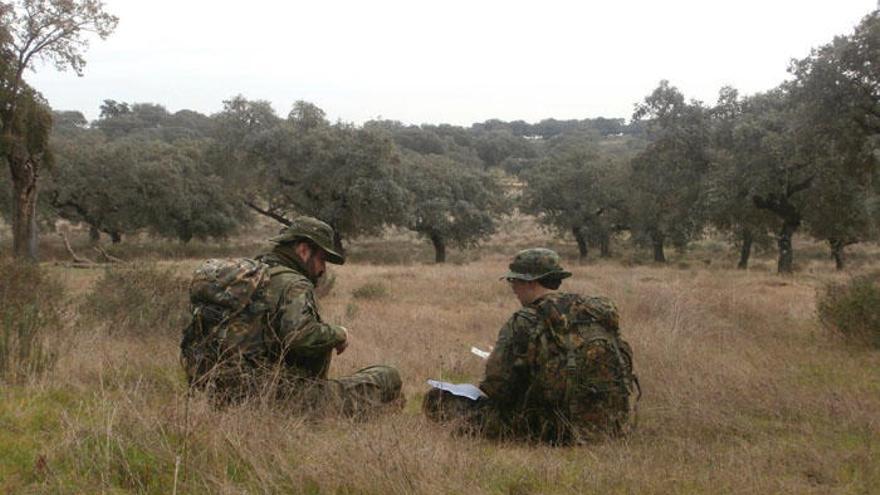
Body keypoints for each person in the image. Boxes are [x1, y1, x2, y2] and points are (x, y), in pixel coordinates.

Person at [182, 216, 402, 417]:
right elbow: (300, 335)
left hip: (215, 393)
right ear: (305, 250)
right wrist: (338, 333)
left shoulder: (250, 280)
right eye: (322, 258)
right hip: (275, 398)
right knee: (387, 377)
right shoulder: (293, 284)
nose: (323, 269)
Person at [422, 248, 638, 444]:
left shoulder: (525, 320)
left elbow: (497, 388)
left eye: (514, 281)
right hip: (610, 424)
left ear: (530, 282)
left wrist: (495, 362)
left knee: (437, 398)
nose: (513, 288)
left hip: (551, 429)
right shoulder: (595, 312)